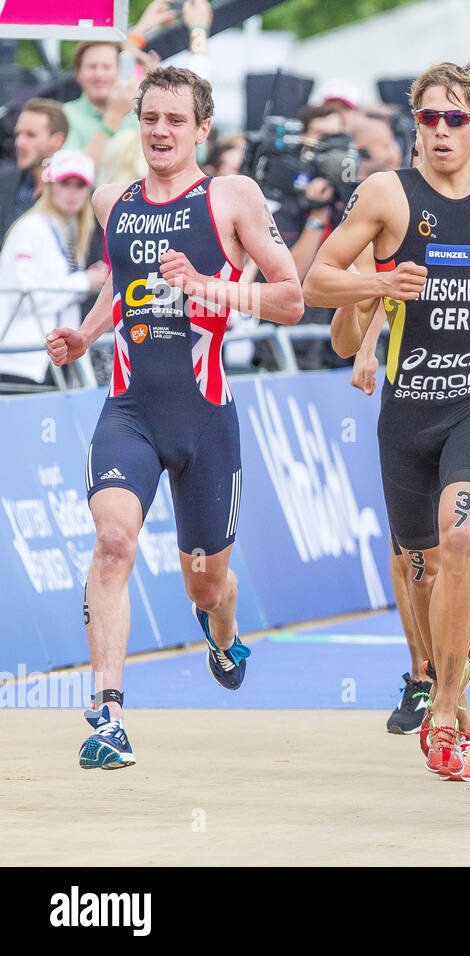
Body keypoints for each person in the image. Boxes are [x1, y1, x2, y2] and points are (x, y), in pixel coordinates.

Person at [302, 61, 470, 783]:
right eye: (429, 118)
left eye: (456, 119)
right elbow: (316, 281)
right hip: (406, 414)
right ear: (414, 126)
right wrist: (378, 283)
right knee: (419, 570)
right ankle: (442, 657)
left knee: (462, 536)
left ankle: (450, 708)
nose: (442, 132)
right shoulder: (387, 194)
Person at [44, 66, 304, 769]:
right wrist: (89, 335)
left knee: (205, 582)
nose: (160, 131)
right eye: (150, 117)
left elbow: (290, 299)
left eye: (175, 121)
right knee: (114, 543)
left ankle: (221, 629)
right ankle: (108, 715)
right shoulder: (111, 202)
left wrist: (212, 289)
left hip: (205, 420)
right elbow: (124, 288)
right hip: (129, 412)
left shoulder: (231, 197)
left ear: (201, 130)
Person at [0, 150, 107, 388]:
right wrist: (83, 282)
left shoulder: (69, 230)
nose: (71, 192)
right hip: (19, 360)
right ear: (49, 185)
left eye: (79, 185)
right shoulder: (30, 227)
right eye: (64, 183)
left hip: (49, 360)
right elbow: (27, 297)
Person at [1, 99, 69, 237]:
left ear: (57, 141)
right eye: (18, 134)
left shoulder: (74, 191)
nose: (19, 143)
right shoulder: (4, 182)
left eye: (31, 135)